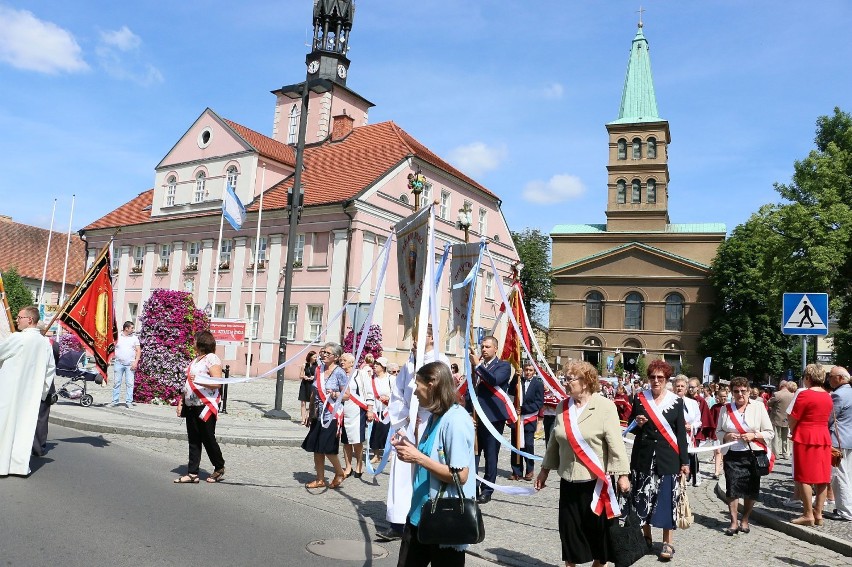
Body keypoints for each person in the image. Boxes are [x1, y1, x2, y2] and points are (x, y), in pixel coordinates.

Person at [535, 361, 630, 567]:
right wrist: (544, 471)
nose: (566, 383)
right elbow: (554, 442)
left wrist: (622, 474)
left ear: (585, 382)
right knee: (569, 533)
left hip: (595, 484)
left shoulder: (605, 407)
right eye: (565, 379)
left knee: (598, 534)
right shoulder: (563, 406)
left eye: (570, 379)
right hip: (569, 482)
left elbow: (616, 443)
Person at [393, 361, 475, 567]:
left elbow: (460, 476)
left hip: (445, 520)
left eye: (417, 386)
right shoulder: (435, 416)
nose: (414, 393)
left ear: (431, 385)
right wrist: (409, 449)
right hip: (420, 516)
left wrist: (418, 457)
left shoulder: (455, 420)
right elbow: (431, 456)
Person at [379, 326, 449, 542]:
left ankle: (423, 519)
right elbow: (398, 391)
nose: (413, 342)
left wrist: (427, 413)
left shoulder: (439, 361)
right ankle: (397, 521)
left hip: (429, 421)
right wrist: (405, 416)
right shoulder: (410, 362)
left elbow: (442, 392)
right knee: (401, 471)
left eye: (418, 337)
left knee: (425, 469)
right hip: (408, 424)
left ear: (430, 337)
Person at [628, 360, 689, 561]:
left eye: (660, 378)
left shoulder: (676, 401)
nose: (656, 381)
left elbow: (681, 434)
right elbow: (631, 428)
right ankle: (646, 537)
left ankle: (667, 542)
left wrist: (685, 461)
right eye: (653, 377)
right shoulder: (639, 398)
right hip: (643, 457)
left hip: (667, 458)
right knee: (643, 498)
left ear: (666, 380)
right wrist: (636, 423)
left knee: (666, 500)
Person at [0, 306, 56, 476]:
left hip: (10, 390)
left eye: (20, 317)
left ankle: (2, 465)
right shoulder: (45, 343)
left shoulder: (18, 338)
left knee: (5, 426)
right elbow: (50, 369)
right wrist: (43, 393)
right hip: (31, 394)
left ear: (30, 320)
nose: (17, 320)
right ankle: (18, 466)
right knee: (24, 429)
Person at [715, 377, 774, 535]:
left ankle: (745, 519)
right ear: (731, 393)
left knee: (751, 489)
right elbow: (718, 431)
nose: (740, 394)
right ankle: (733, 522)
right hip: (732, 454)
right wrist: (727, 436)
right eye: (736, 391)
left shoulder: (759, 407)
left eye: (743, 391)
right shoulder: (725, 409)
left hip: (753, 454)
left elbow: (770, 432)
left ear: (749, 391)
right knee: (732, 488)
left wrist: (754, 435)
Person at [174, 331, 226, 483]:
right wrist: (181, 402)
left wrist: (199, 380)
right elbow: (187, 383)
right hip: (191, 405)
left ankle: (219, 466)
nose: (193, 341)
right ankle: (192, 473)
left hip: (205, 405)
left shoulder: (212, 358)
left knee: (208, 438)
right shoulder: (195, 360)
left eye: (195, 339)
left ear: (201, 342)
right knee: (194, 440)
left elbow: (217, 382)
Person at [787, 363, 834, 526]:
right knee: (822, 477)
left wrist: (792, 430)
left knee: (804, 477)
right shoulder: (828, 396)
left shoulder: (804, 395)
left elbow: (793, 418)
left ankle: (808, 514)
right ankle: (818, 513)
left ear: (808, 377)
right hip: (823, 436)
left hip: (805, 436)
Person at [468, 335, 511, 504]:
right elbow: (470, 391)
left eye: (487, 347)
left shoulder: (503, 366)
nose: (483, 349)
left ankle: (487, 489)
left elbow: (493, 381)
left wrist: (477, 365)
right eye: (482, 346)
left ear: (495, 349)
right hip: (476, 417)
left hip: (493, 418)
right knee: (474, 454)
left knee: (491, 455)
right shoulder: (476, 367)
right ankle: (473, 485)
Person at [301, 342, 347, 490]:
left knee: (327, 448)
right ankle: (320, 479)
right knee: (316, 447)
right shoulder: (318, 370)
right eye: (323, 352)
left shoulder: (339, 372)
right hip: (318, 414)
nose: (324, 355)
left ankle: (340, 472)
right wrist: (309, 411)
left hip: (332, 415)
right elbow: (315, 391)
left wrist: (334, 394)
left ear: (336, 357)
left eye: (328, 353)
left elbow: (347, 395)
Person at [508, 361, 544, 481]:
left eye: (530, 370)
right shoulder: (519, 380)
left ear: (534, 371)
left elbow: (539, 403)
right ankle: (516, 471)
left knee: (528, 445)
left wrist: (524, 409)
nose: (528, 372)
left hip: (529, 417)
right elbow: (511, 391)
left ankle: (529, 469)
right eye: (526, 369)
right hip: (517, 419)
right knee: (516, 444)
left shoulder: (538, 384)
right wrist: (515, 376)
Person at [341, 352, 374, 479]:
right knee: (345, 440)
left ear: (351, 363)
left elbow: (369, 391)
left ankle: (359, 464)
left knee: (357, 439)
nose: (342, 362)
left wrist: (370, 409)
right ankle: (348, 466)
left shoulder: (361, 374)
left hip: (358, 410)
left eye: (344, 360)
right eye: (341, 360)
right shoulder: (340, 374)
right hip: (343, 410)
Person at [828, 366, 852, 521]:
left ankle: (845, 510)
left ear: (841, 378)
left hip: (838, 441)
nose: (829, 378)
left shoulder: (838, 395)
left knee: (838, 475)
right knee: (848, 474)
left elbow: (829, 418)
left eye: (831, 376)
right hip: (848, 439)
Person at [32, 323, 59, 457]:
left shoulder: (50, 344)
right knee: (41, 417)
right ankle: (38, 447)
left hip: (40, 384)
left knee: (39, 416)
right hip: (46, 384)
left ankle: (35, 446)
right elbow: (55, 364)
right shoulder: (52, 344)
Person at [674, 376, 702, 487]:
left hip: (688, 437)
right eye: (677, 386)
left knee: (690, 456)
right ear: (674, 388)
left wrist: (692, 426)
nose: (680, 388)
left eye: (682, 386)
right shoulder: (669, 402)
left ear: (686, 389)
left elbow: (698, 421)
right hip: (674, 436)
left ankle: (692, 475)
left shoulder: (693, 403)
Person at [110, 321, 140, 408]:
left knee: (130, 383)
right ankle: (115, 401)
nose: (133, 329)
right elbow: (111, 348)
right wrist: (109, 359)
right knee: (116, 383)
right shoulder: (118, 336)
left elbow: (138, 350)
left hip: (130, 364)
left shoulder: (134, 338)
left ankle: (129, 402)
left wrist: (136, 362)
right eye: (132, 328)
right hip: (118, 363)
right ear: (126, 328)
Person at [370, 357, 393, 465]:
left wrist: (388, 398)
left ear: (383, 366)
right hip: (376, 409)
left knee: (386, 432)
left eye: (377, 364)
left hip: (387, 410)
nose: (375, 366)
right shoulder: (372, 379)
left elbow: (396, 393)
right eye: (374, 364)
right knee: (375, 433)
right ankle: (376, 455)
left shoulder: (391, 379)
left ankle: (388, 453)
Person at [768, 379, 795, 459]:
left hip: (777, 418)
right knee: (785, 437)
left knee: (776, 437)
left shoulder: (777, 394)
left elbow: (769, 403)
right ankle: (786, 453)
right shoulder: (792, 395)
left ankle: (776, 454)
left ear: (781, 386)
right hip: (788, 419)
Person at [299, 350, 318, 425]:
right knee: (303, 402)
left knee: (311, 402)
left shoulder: (317, 367)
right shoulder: (304, 365)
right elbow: (300, 375)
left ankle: (309, 418)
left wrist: (314, 377)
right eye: (314, 357)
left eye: (316, 357)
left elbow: (318, 376)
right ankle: (303, 419)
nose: (316, 358)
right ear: (310, 357)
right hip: (305, 384)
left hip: (312, 385)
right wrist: (305, 377)